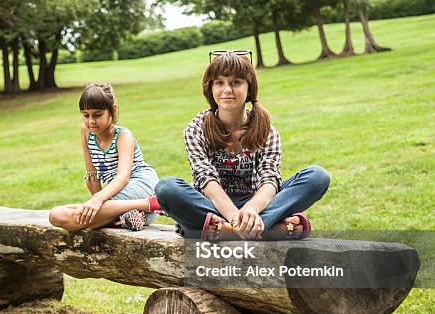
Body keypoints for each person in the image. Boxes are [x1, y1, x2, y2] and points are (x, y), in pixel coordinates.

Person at [150, 51, 330, 240]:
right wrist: (236, 217)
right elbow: (206, 180)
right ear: (210, 88)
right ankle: (266, 229)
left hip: (257, 203)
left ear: (249, 87)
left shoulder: (266, 130)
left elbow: (269, 179)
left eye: (236, 82)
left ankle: (224, 231)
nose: (227, 89)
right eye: (219, 83)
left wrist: (251, 209)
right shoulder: (195, 129)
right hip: (210, 203)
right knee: (166, 188)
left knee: (317, 176)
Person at [49, 83, 159, 231]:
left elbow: (123, 176)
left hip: (139, 184)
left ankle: (150, 204)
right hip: (117, 197)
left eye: (98, 115)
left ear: (113, 110)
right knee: (56, 214)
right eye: (85, 115)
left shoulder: (123, 135)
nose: (91, 121)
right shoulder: (86, 131)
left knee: (75, 220)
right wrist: (97, 203)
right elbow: (92, 174)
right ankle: (127, 216)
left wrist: (98, 199)